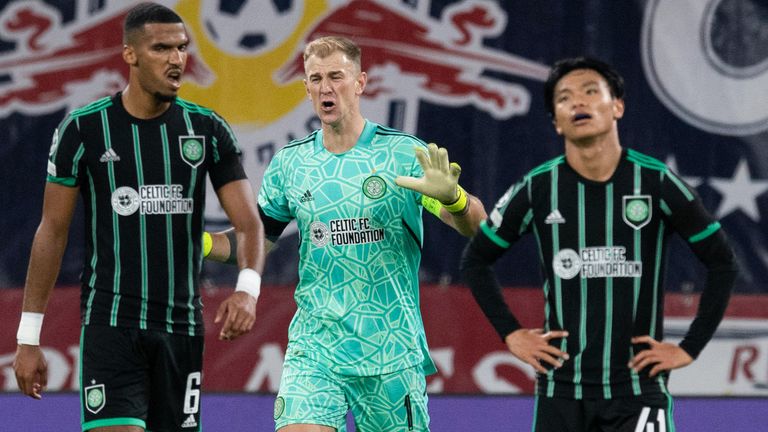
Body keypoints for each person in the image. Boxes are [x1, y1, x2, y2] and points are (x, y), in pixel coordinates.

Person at [206, 36, 486, 431]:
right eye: (315, 78)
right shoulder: (291, 164)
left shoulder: (403, 153)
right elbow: (254, 242)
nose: (325, 87)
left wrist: (454, 199)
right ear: (305, 88)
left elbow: (476, 226)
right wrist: (197, 241)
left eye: (336, 76)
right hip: (316, 348)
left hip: (390, 350)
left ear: (360, 82)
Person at [12, 3, 265, 431]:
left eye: (182, 48)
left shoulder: (206, 129)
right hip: (111, 325)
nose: (176, 59)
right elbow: (51, 232)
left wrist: (247, 291)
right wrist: (28, 337)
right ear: (129, 54)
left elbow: (248, 224)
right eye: (161, 48)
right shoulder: (84, 129)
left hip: (181, 329)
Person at [460, 57, 738, 432]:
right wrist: (511, 333)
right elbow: (476, 260)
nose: (578, 103)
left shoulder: (656, 182)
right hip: (561, 392)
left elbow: (722, 262)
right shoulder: (538, 187)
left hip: (639, 391)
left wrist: (689, 347)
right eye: (564, 98)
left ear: (617, 106)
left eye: (591, 91)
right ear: (557, 121)